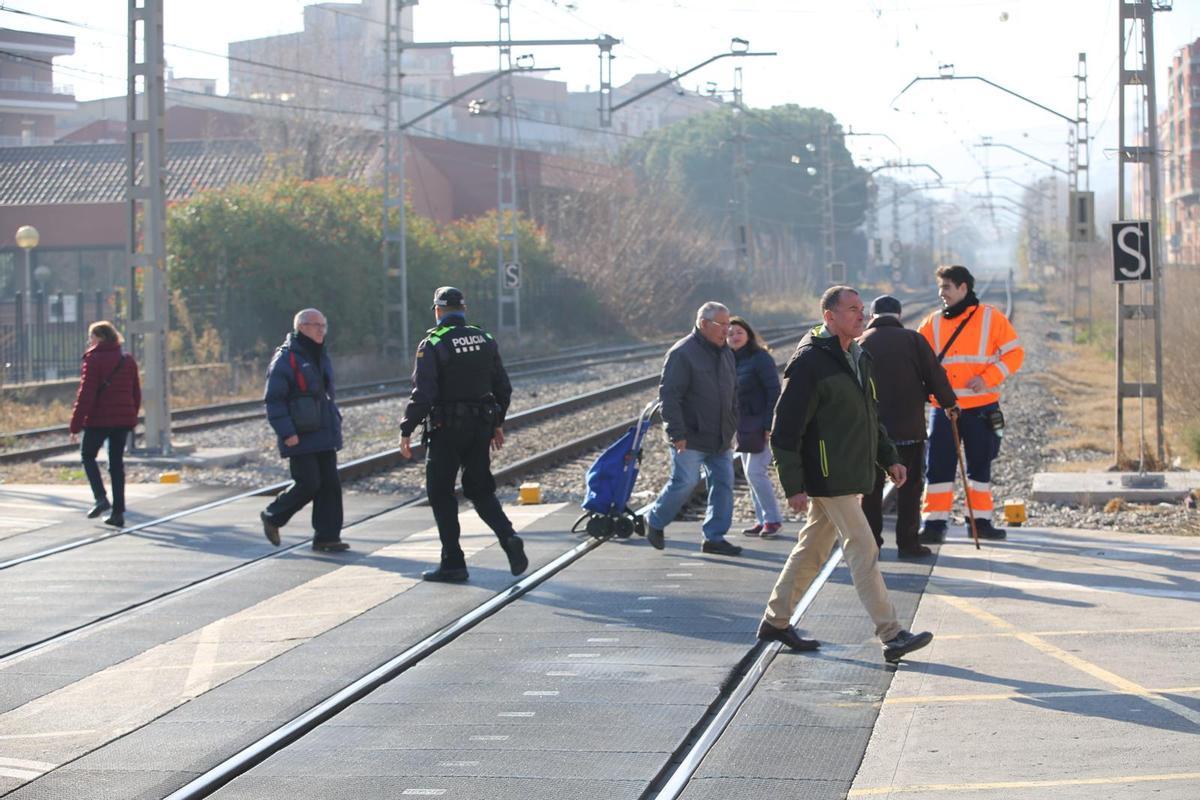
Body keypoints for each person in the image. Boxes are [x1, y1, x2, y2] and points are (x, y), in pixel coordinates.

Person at [757, 286, 933, 663]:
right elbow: (785, 429)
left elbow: (872, 416)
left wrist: (890, 458)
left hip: (845, 471)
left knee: (813, 547)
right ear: (829, 316)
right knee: (864, 546)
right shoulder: (809, 363)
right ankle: (892, 633)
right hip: (827, 476)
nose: (861, 315)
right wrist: (794, 485)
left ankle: (776, 620)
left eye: (862, 309)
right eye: (852, 309)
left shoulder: (857, 355)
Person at [399, 286, 528, 582]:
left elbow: (424, 393)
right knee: (480, 489)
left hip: (446, 430)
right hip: (480, 427)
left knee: (441, 492)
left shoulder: (432, 343)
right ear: (463, 309)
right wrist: (497, 423)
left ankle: (453, 562)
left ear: (437, 310)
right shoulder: (485, 339)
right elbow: (503, 388)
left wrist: (407, 428)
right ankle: (508, 537)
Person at [917, 265, 1024, 542]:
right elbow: (919, 359)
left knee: (980, 465)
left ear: (963, 288)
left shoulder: (991, 319)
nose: (942, 293)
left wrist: (988, 378)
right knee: (938, 466)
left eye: (947, 287)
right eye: (940, 288)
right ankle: (934, 524)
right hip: (944, 409)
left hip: (981, 408)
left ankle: (980, 522)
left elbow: (1014, 354)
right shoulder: (932, 323)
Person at [858, 295, 959, 558]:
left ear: (872, 315)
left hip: (870, 433)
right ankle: (908, 543)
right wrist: (949, 403)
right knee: (910, 488)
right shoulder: (914, 340)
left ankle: (871, 545)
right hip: (909, 431)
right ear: (899, 315)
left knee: (870, 490)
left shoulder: (859, 343)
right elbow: (936, 375)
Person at [642, 301, 741, 556]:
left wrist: (732, 424)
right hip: (690, 435)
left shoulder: (726, 352)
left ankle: (714, 538)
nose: (727, 330)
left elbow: (732, 393)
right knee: (684, 482)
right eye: (723, 325)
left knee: (723, 484)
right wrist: (677, 434)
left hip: (720, 435)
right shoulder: (682, 353)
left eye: (729, 324)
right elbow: (670, 397)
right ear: (704, 324)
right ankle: (654, 520)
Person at [261, 308, 348, 552]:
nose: (322, 330)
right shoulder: (286, 358)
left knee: (330, 485)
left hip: (323, 430)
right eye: (316, 325)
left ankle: (327, 537)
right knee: (308, 483)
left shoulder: (320, 354)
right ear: (301, 327)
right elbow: (274, 400)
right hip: (299, 433)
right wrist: (286, 432)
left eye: (324, 325)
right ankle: (272, 516)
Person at [69, 321, 140, 529]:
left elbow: (86, 395)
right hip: (122, 420)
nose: (89, 341)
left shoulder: (93, 359)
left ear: (99, 337)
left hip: (99, 419)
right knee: (116, 464)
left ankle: (101, 498)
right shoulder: (127, 360)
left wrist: (75, 425)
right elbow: (136, 393)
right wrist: (130, 416)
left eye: (91, 337)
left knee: (87, 455)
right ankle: (118, 513)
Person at [727, 316, 784, 539]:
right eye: (730, 333)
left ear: (748, 334)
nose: (734, 336)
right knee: (752, 475)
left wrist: (770, 424)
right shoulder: (727, 359)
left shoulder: (760, 358)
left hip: (761, 423)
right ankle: (762, 520)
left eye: (739, 332)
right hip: (742, 425)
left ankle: (773, 520)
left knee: (755, 472)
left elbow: (774, 392)